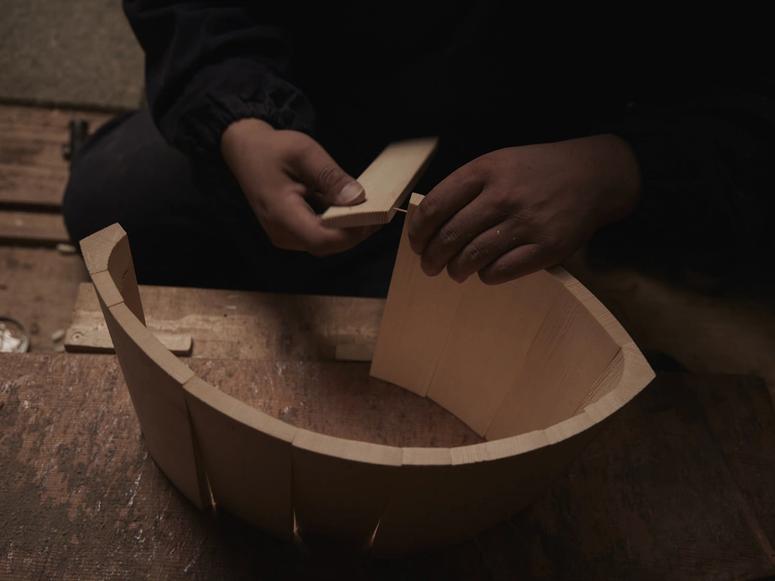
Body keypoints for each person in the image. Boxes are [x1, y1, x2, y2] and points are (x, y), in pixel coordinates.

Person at [63, 3, 775, 297]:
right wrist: (238, 116)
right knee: (115, 203)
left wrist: (619, 169)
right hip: (329, 106)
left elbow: (750, 105)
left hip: (570, 155)